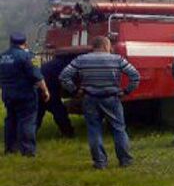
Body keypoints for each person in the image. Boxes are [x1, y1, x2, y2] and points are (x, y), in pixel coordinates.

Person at [59, 36, 140, 169]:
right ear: (106, 46)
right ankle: (125, 160)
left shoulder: (82, 59)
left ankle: (100, 162)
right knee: (119, 129)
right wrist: (126, 92)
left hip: (90, 98)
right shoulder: (117, 59)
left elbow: (64, 76)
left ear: (93, 46)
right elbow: (135, 76)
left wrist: (75, 91)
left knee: (94, 129)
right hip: (112, 98)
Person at [0, 32, 50, 156]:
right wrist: (45, 91)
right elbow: (37, 76)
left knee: (11, 120)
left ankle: (10, 149)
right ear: (25, 42)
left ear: (11, 42)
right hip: (26, 94)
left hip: (8, 94)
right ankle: (28, 151)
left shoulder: (2, 57)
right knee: (27, 121)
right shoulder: (31, 57)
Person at [36, 54, 76, 138]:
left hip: (39, 87)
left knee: (38, 113)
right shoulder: (68, 65)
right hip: (49, 89)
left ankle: (27, 135)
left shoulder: (51, 63)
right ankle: (68, 132)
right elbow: (65, 78)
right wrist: (74, 91)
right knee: (59, 110)